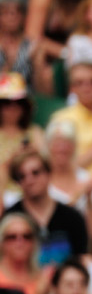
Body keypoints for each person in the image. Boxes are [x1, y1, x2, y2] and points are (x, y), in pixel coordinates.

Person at [3, 149, 88, 266]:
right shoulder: (9, 218)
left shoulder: (72, 217)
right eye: (21, 176)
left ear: (48, 173)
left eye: (35, 172)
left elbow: (82, 259)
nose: (29, 180)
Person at [44, 118, 92, 230]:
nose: (62, 148)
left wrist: (89, 197)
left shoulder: (86, 178)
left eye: (67, 143)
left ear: (74, 147)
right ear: (48, 147)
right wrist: (78, 195)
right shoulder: (40, 180)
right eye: (57, 143)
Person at [0, 70, 42, 204]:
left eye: (18, 102)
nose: (12, 108)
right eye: (6, 103)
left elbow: (46, 165)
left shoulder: (34, 132)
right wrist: (12, 162)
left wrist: (31, 155)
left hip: (33, 191)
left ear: (25, 106)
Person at [0, 210, 48, 294]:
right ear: (2, 242)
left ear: (34, 242)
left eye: (27, 236)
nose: (20, 242)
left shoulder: (43, 277)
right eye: (12, 237)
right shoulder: (42, 285)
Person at [0, 0, 46, 94]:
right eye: (6, 12)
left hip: (25, 99)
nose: (12, 16)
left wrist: (38, 64)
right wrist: (8, 63)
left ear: (23, 17)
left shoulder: (32, 46)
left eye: (17, 12)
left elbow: (42, 91)